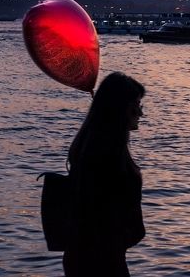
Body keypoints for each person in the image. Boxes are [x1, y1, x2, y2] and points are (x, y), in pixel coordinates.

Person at [63, 72, 146, 277]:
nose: (140, 113)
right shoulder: (108, 156)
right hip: (103, 260)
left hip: (82, 256)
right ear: (120, 109)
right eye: (136, 105)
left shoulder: (88, 146)